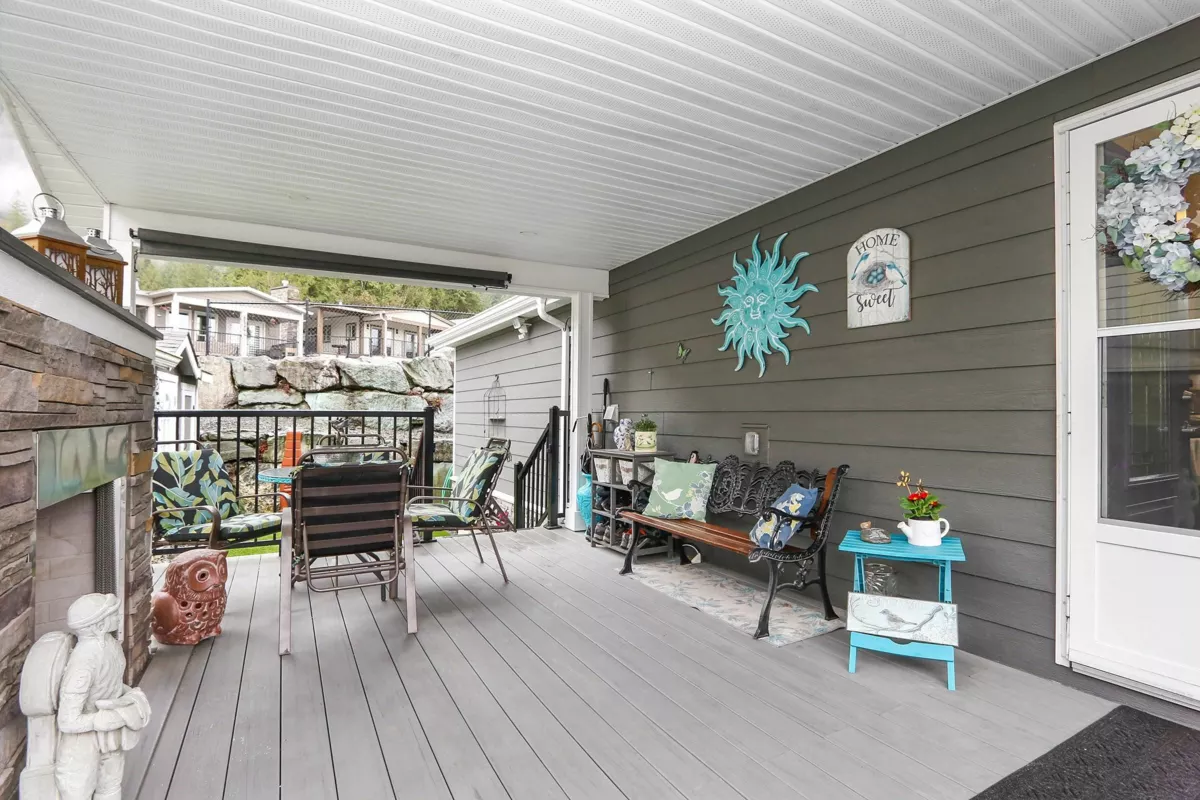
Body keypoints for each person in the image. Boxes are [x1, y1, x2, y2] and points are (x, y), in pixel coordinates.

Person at [54, 594, 151, 800]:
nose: (117, 616)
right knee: (77, 792)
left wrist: (130, 698)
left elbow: (112, 685)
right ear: (98, 625)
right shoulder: (83, 663)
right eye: (111, 614)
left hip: (109, 734)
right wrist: (102, 719)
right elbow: (67, 720)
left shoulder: (111, 645)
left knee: (110, 787)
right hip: (82, 742)